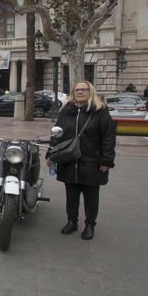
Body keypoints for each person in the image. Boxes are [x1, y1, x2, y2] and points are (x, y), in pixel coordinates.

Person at [48, 81, 116, 240]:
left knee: (91, 196)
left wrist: (107, 160)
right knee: (71, 194)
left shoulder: (100, 111)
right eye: (77, 89)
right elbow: (57, 134)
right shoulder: (66, 111)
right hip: (69, 161)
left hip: (92, 161)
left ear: (90, 91)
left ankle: (90, 224)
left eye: (84, 89)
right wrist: (51, 154)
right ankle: (72, 221)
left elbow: (108, 138)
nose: (80, 92)